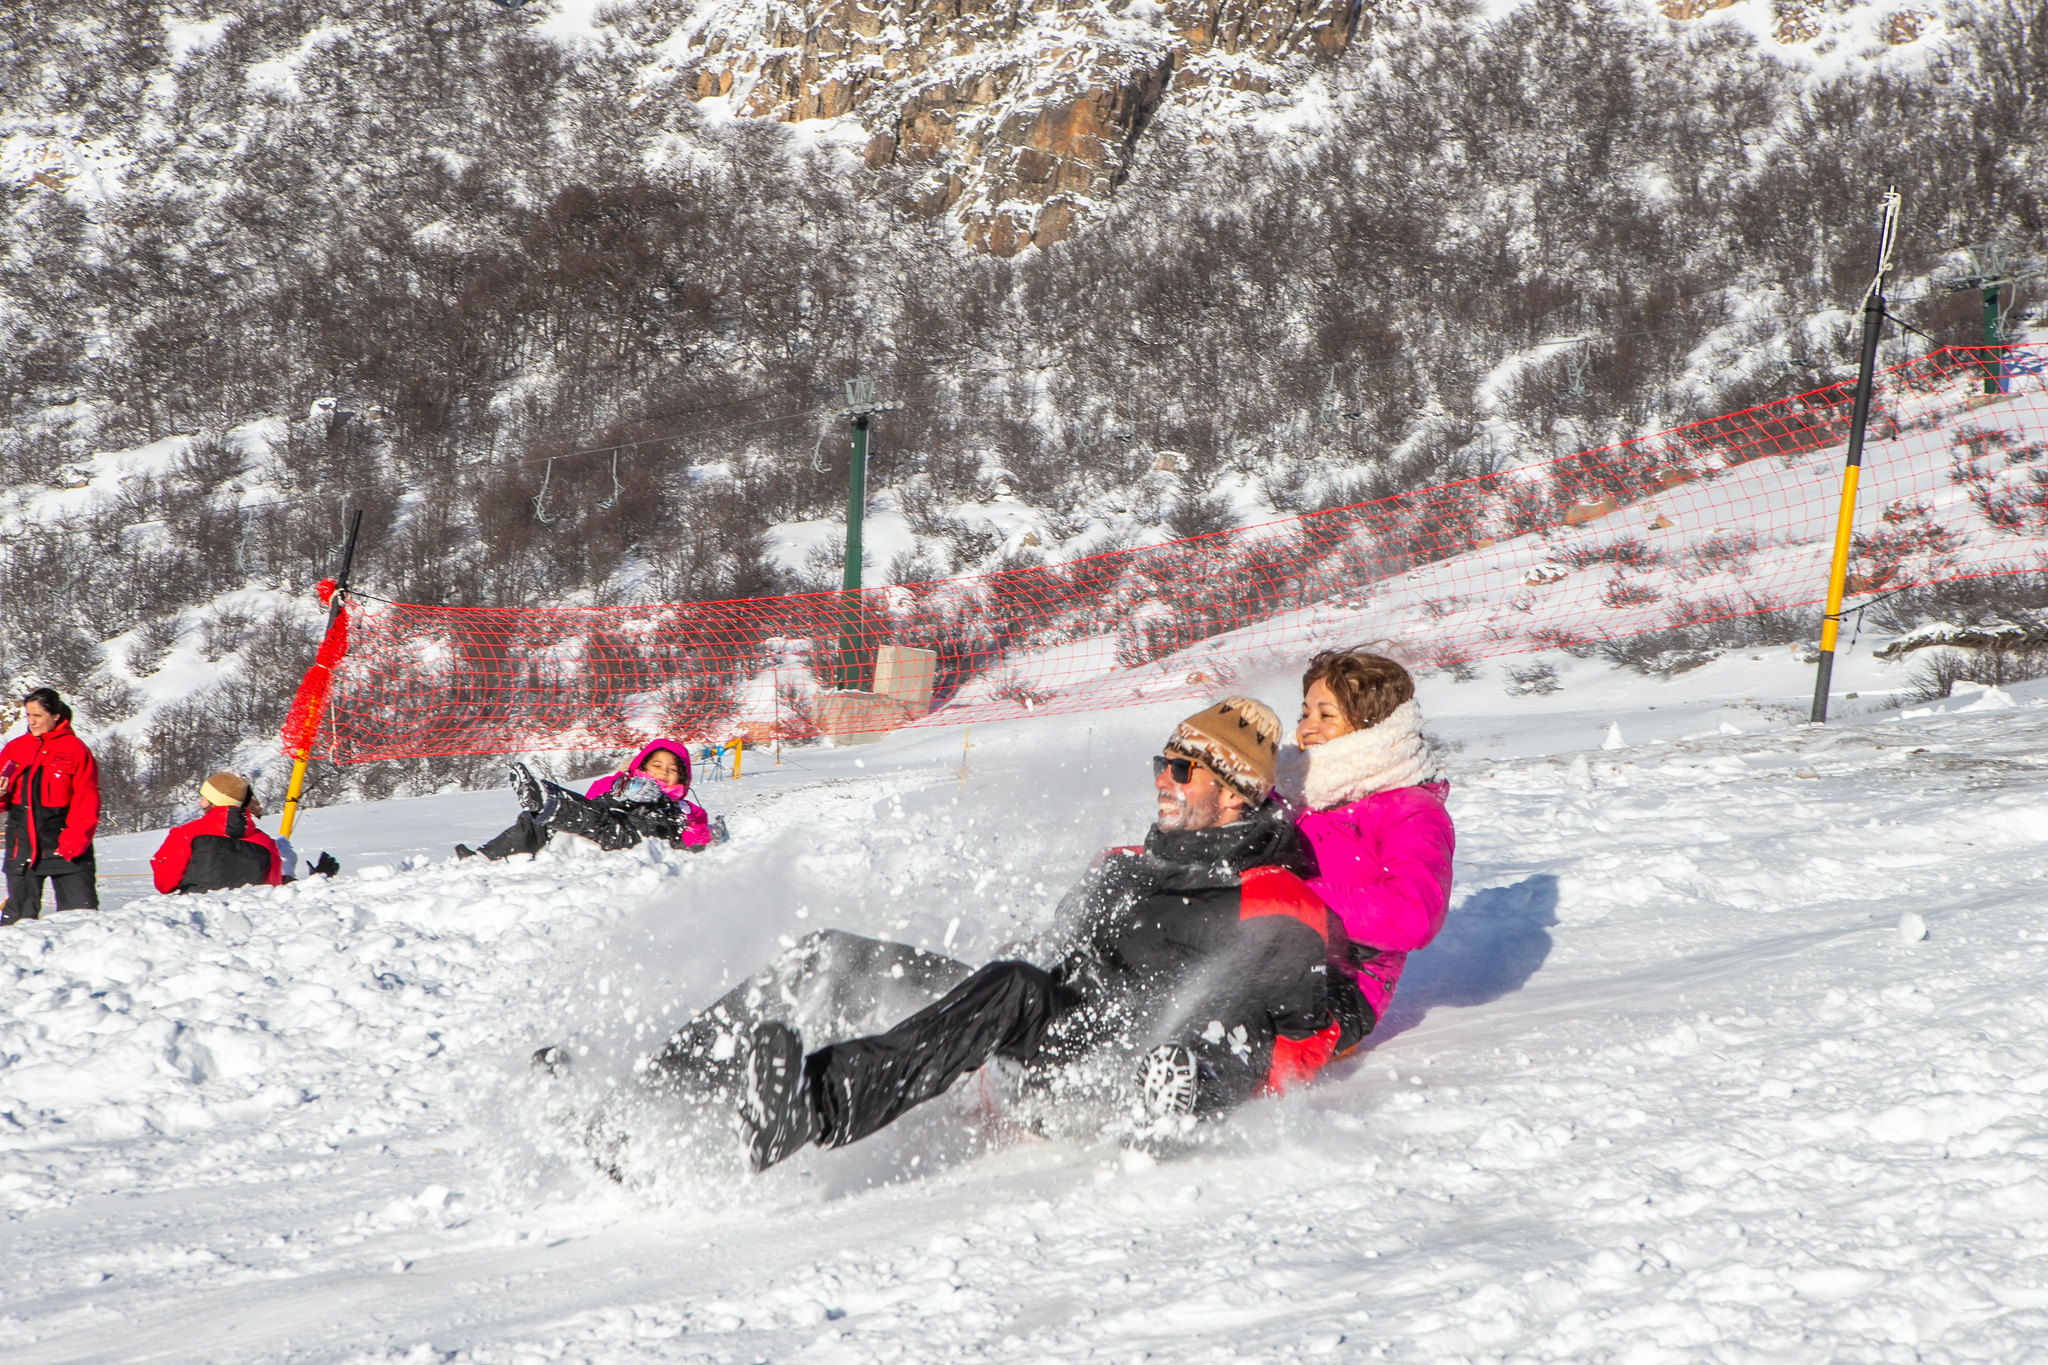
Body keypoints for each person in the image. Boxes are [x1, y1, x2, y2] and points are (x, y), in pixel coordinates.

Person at [731, 696, 1368, 1172]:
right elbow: (1047, 960)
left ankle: (816, 1106)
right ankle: (671, 1095)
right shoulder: (1121, 866)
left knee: (1018, 987)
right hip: (1036, 1038)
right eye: (1161, 762)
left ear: (1233, 795)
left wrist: (1189, 1088)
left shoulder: (1274, 903)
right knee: (834, 957)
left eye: (1181, 769)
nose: (1161, 779)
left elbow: (1301, 1036)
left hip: (1108, 1083)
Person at [1274, 650, 1455, 1033]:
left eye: (1326, 715)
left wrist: (1294, 900)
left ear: (1374, 727)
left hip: (1343, 980)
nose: (1307, 727)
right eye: (1304, 714)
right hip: (1260, 947)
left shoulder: (1409, 810)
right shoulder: (1289, 791)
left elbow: (1412, 916)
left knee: (1238, 1033)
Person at [456, 739, 716, 861]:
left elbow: (698, 837)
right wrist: (621, 791)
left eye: (672, 770)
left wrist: (674, 815)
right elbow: (592, 800)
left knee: (599, 822)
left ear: (682, 781)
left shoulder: (682, 806)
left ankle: (548, 801)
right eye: (656, 765)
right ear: (641, 767)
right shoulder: (620, 782)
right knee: (535, 821)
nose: (663, 772)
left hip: (638, 835)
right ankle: (484, 856)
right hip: (606, 823)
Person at [1, 687, 100, 925]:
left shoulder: (75, 749)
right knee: (16, 926)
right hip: (22, 849)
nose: (31, 722)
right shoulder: (15, 749)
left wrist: (73, 843)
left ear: (56, 715)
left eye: (38, 716)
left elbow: (87, 800)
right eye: (28, 715)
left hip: (66, 847)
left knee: (80, 921)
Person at [149, 772, 285, 895]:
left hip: (197, 914)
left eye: (203, 797)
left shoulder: (187, 833)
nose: (199, 803)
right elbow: (271, 888)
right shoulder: (266, 843)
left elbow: (165, 883)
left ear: (214, 801)